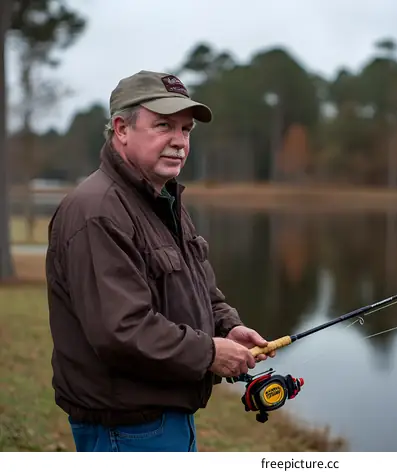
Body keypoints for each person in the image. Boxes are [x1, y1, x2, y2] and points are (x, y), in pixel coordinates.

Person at [45, 70, 274, 452]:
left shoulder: (162, 199)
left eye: (186, 130)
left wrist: (227, 326)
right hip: (127, 428)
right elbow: (122, 330)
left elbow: (201, 288)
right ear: (121, 128)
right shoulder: (97, 211)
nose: (179, 142)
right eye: (163, 126)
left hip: (164, 417)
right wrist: (210, 353)